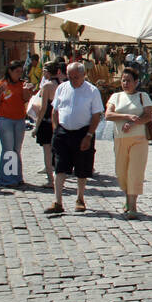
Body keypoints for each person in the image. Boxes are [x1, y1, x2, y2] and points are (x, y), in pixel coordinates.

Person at [46, 62, 104, 214]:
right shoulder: (62, 88)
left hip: (83, 132)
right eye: (70, 77)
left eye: (76, 77)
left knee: (82, 168)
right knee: (59, 167)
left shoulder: (92, 91)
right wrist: (56, 129)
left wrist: (89, 135)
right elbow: (55, 110)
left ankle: (80, 198)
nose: (72, 80)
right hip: (63, 132)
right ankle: (58, 201)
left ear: (83, 75)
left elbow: (96, 115)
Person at [105, 66, 152, 219]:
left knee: (135, 171)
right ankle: (127, 199)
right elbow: (108, 115)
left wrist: (134, 123)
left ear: (136, 82)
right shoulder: (116, 96)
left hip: (139, 139)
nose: (126, 83)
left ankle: (133, 206)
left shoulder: (142, 96)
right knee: (121, 172)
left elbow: (148, 116)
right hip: (120, 139)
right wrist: (126, 116)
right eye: (123, 80)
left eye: (129, 81)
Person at [0, 60, 33, 186]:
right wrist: (0, 93)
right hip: (5, 120)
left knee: (16, 149)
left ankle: (17, 176)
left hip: (19, 120)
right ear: (10, 71)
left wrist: (27, 90)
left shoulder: (22, 84)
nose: (19, 74)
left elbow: (25, 99)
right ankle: (7, 179)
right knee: (8, 150)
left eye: (21, 72)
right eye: (17, 72)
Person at [34, 60, 65, 188]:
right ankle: (60, 179)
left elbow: (43, 108)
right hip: (60, 121)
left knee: (47, 152)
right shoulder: (63, 85)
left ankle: (51, 180)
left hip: (47, 121)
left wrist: (36, 126)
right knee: (58, 152)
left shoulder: (47, 86)